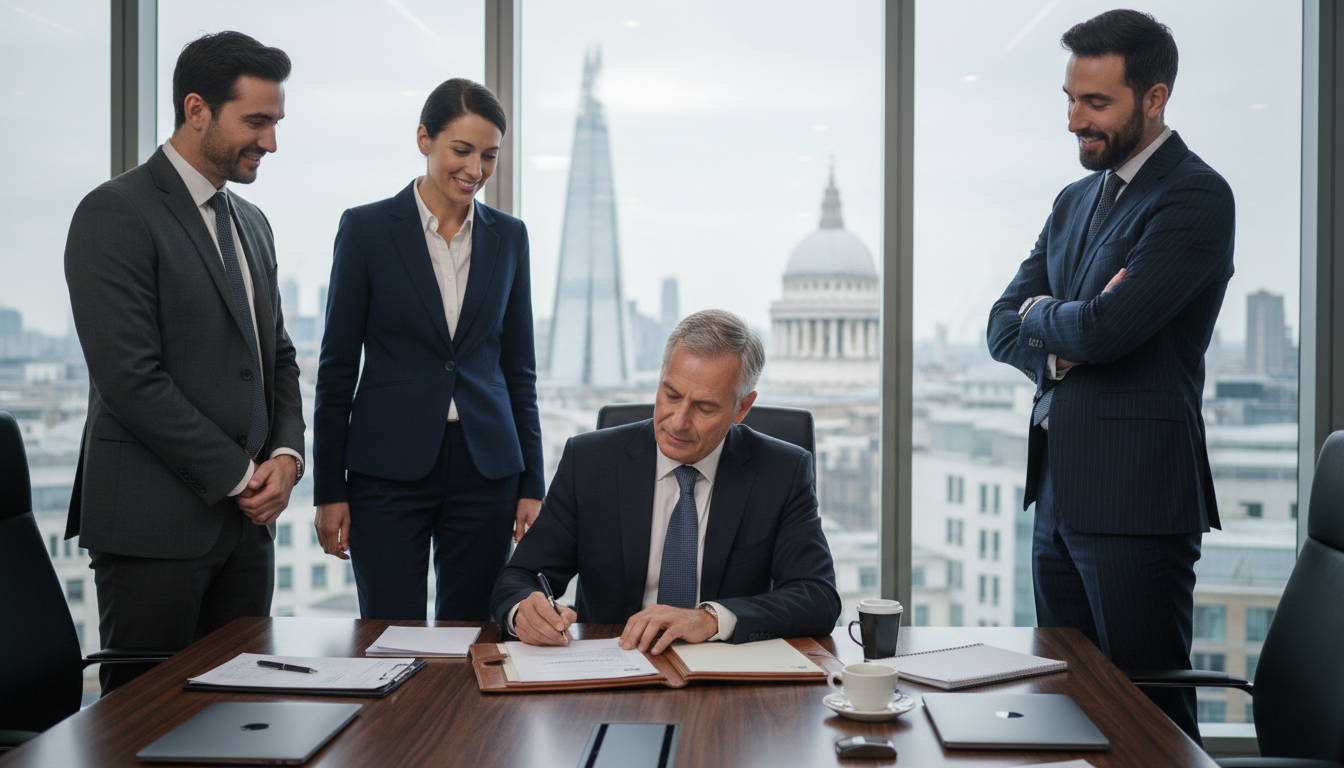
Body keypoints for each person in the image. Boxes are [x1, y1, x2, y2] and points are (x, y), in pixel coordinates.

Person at [987, 10, 1234, 743]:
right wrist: (1062, 334)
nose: (1074, 121)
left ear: (1154, 98)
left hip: (1137, 503)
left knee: (1149, 719)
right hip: (1057, 497)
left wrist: (1051, 318)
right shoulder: (1074, 202)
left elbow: (1107, 329)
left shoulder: (1194, 196)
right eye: (1070, 99)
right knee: (1069, 708)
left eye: (1096, 103)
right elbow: (1001, 325)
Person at [63, 32, 304, 693]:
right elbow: (130, 380)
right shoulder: (115, 212)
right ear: (197, 110)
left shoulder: (252, 223)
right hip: (153, 530)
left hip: (246, 532)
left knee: (243, 713)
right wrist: (241, 475)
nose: (271, 142)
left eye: (276, 123)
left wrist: (286, 457)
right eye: (256, 122)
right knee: (143, 723)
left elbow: (278, 356)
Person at [313, 79, 543, 622]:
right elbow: (337, 369)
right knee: (387, 631)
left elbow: (519, 369)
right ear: (424, 139)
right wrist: (328, 490)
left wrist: (532, 482)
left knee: (475, 631)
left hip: (486, 469)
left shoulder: (510, 237)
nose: (475, 169)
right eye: (461, 150)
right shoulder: (366, 229)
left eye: (489, 155)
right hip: (386, 469)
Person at [492, 310, 840, 654]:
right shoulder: (589, 462)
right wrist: (524, 610)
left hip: (725, 670)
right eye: (671, 395)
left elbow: (818, 597)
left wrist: (711, 619)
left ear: (742, 407)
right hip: (614, 663)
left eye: (704, 408)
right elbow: (520, 576)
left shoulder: (782, 472)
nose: (678, 422)